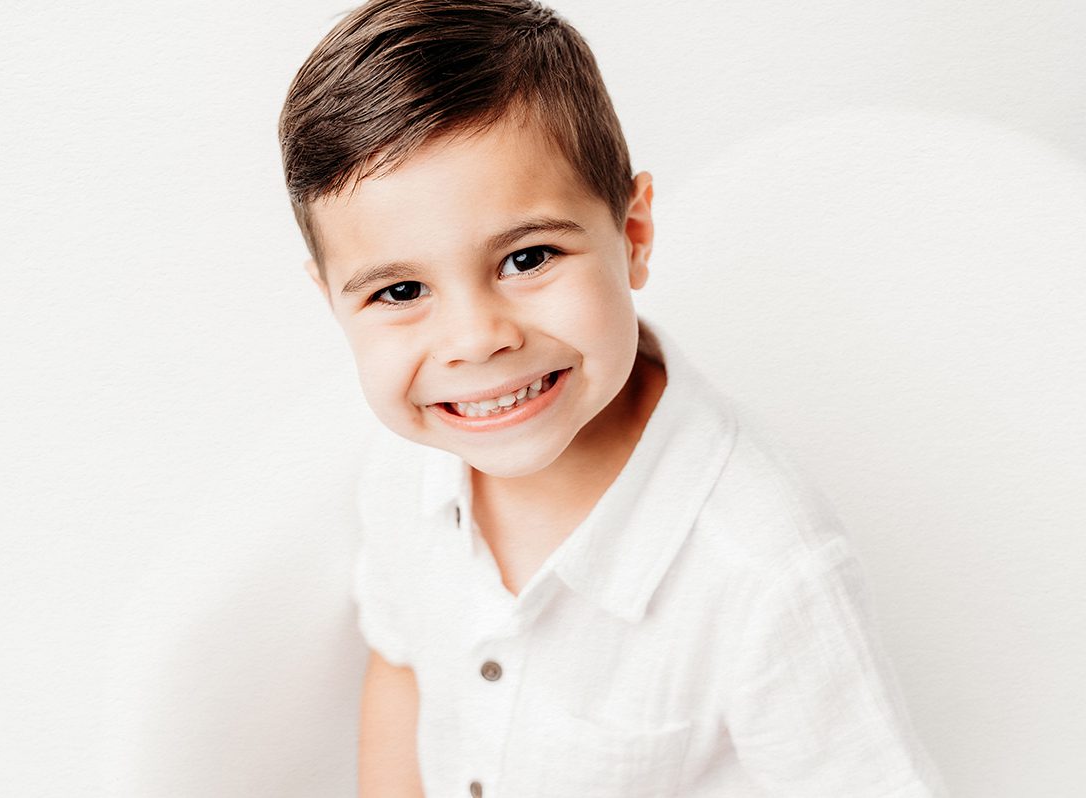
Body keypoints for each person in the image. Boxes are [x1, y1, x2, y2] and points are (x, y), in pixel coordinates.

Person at [278, 1, 947, 795]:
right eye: (400, 290)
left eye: (527, 258)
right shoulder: (405, 469)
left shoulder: (766, 572)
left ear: (632, 235)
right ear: (332, 303)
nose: (475, 339)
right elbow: (403, 658)